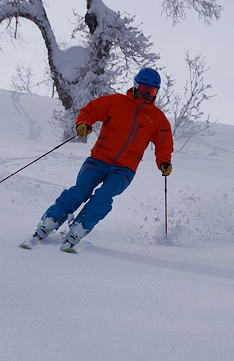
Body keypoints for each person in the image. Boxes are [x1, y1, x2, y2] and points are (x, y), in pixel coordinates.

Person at [20, 67, 174, 252]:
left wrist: (164, 161)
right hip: (98, 160)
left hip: (124, 170)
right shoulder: (115, 102)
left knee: (103, 197)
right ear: (135, 86)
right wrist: (83, 123)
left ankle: (78, 229)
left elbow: (164, 143)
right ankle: (49, 222)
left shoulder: (157, 119)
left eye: (152, 91)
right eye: (143, 89)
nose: (147, 95)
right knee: (80, 192)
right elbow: (90, 111)